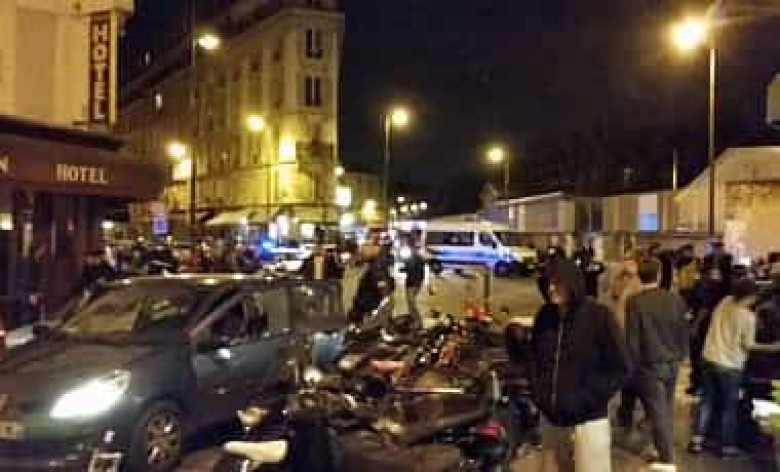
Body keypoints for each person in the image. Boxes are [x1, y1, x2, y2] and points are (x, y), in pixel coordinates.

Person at [530, 260, 630, 472]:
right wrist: (539, 394)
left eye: (558, 283)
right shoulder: (545, 316)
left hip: (588, 422)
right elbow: (534, 359)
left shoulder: (599, 317)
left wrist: (585, 400)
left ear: (572, 284)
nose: (551, 288)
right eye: (548, 283)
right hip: (552, 421)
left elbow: (621, 368)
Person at [689, 278, 780, 457]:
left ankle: (696, 440)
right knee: (728, 408)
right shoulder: (747, 317)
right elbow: (749, 345)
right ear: (750, 296)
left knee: (706, 401)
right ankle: (727, 447)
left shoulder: (725, 301)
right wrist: (774, 347)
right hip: (730, 365)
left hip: (709, 357)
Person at [620, 258, 689, 469]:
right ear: (659, 275)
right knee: (664, 408)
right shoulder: (675, 299)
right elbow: (683, 329)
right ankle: (658, 447)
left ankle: (666, 458)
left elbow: (633, 338)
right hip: (672, 361)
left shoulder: (635, 302)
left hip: (649, 365)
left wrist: (630, 367)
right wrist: (682, 355)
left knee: (657, 411)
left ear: (639, 276)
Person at [402, 233, 426, 329]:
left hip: (413, 283)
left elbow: (415, 269)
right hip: (413, 282)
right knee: (410, 302)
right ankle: (414, 320)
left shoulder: (415, 256)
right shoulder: (414, 255)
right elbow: (411, 267)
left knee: (411, 303)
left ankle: (418, 321)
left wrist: (405, 269)